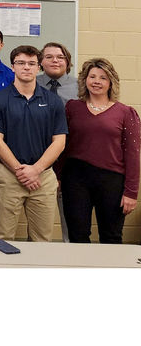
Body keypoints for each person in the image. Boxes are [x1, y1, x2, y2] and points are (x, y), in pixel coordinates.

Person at [0, 45, 67, 242]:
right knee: (2, 237)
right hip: (8, 174)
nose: (26, 67)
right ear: (12, 67)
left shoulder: (53, 101)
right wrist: (20, 171)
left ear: (39, 67)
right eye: (21, 63)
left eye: (32, 63)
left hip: (43, 175)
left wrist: (35, 170)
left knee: (43, 239)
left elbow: (59, 142)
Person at [62, 58, 140, 244]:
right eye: (92, 77)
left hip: (112, 181)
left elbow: (133, 154)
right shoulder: (72, 107)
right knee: (77, 235)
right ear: (85, 80)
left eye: (103, 78)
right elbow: (63, 145)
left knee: (111, 236)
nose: (96, 81)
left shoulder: (125, 113)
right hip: (75, 179)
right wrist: (57, 175)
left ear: (111, 82)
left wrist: (131, 192)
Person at [35, 41, 78, 242]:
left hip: (69, 157)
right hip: (36, 155)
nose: (55, 60)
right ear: (41, 62)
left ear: (67, 61)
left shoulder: (80, 87)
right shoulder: (30, 83)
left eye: (60, 57)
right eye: (49, 56)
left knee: (70, 214)